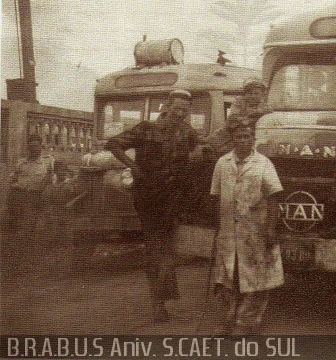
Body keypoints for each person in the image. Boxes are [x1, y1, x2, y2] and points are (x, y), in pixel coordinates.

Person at [105, 89, 200, 322]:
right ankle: (158, 303)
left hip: (175, 198)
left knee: (167, 250)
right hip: (149, 197)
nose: (180, 114)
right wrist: (134, 166)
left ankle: (162, 302)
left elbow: (199, 154)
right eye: (177, 108)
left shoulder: (188, 133)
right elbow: (114, 144)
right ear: (167, 107)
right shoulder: (146, 128)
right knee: (156, 250)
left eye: (185, 111)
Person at [205, 115, 284, 335]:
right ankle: (227, 321)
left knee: (256, 279)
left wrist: (270, 229)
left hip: (255, 230)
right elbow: (216, 196)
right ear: (232, 139)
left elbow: (273, 198)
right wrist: (217, 227)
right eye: (239, 136)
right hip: (229, 231)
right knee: (227, 278)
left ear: (253, 139)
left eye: (248, 136)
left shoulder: (263, 163)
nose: (243, 140)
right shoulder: (222, 163)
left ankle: (246, 324)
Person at [3, 134, 53, 270]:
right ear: (28, 147)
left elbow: (49, 180)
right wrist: (11, 198)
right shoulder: (21, 162)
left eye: (36, 146)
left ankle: (27, 259)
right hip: (18, 197)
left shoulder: (47, 162)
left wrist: (42, 194)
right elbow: (12, 179)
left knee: (29, 228)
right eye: (31, 146)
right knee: (14, 228)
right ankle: (14, 259)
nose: (33, 149)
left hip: (35, 197)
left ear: (41, 146)